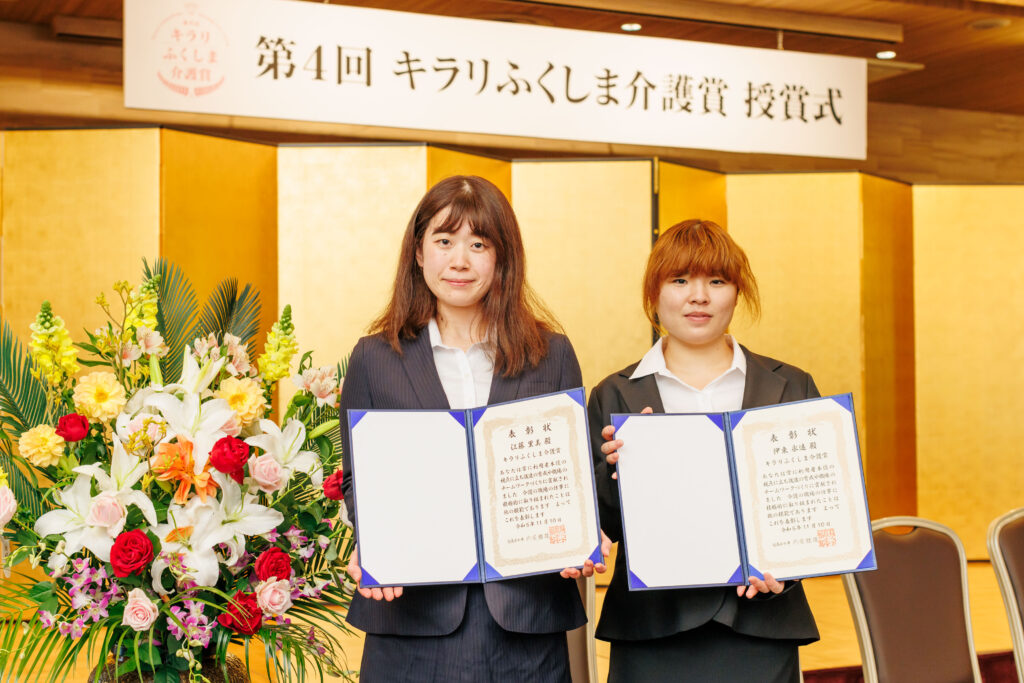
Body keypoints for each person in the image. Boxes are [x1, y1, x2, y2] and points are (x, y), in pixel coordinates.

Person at [339, 175, 606, 682]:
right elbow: (358, 477)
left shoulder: (552, 354)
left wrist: (578, 534)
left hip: (526, 620)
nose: (459, 261)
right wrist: (377, 544)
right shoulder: (375, 357)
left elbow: (568, 474)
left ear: (504, 257)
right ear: (419, 252)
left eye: (479, 244)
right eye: (444, 241)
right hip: (411, 618)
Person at [588, 219, 820, 683]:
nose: (698, 297)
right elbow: (601, 523)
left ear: (737, 292)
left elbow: (817, 504)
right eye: (680, 281)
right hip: (651, 628)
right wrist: (617, 472)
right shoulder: (615, 394)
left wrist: (789, 569)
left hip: (761, 623)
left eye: (716, 281)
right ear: (654, 293)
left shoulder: (791, 386)